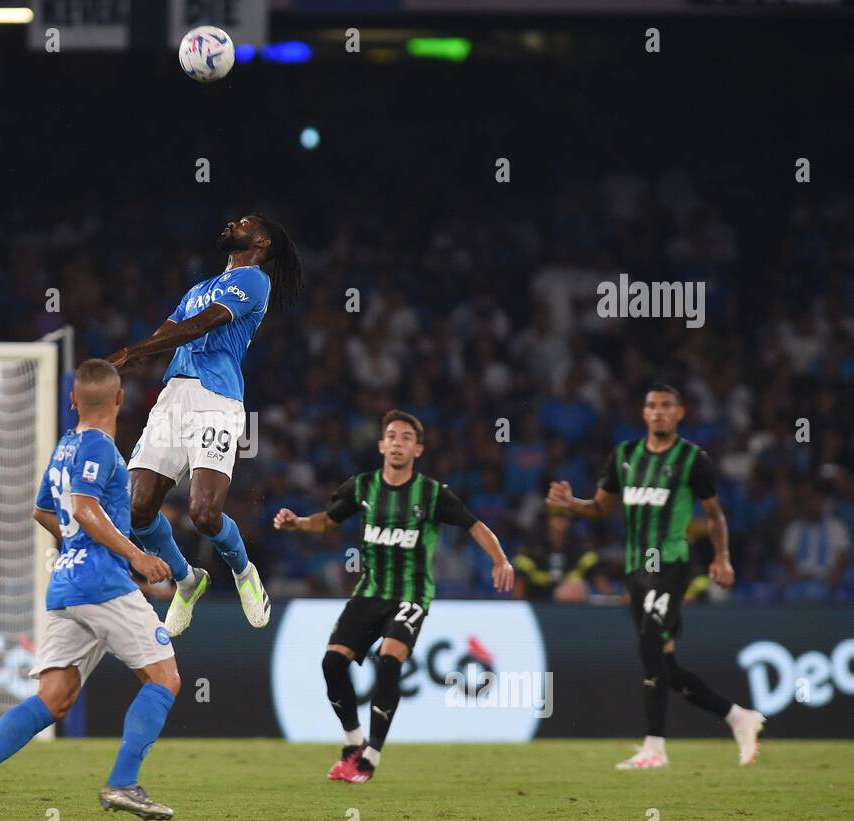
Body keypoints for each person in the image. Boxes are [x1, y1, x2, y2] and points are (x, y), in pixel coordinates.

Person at [0, 360, 180, 821]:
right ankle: (123, 783)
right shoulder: (98, 446)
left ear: (72, 400)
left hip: (69, 584)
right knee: (164, 679)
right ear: (120, 400)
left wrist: (79, 544)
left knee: (55, 697)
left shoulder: (66, 446)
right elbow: (84, 509)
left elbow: (42, 511)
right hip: (102, 583)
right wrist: (135, 555)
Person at [273, 410, 515, 783]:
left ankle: (370, 758)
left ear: (417, 449)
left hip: (411, 595)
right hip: (369, 592)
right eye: (392, 436)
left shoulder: (433, 494)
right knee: (332, 664)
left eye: (406, 438)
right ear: (381, 445)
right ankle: (354, 744)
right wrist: (297, 523)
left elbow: (475, 525)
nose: (398, 443)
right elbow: (327, 520)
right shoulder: (362, 487)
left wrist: (500, 558)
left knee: (389, 661)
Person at [546, 384, 766, 769]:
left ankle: (655, 747)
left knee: (649, 640)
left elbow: (714, 516)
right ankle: (737, 716)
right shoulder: (625, 456)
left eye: (667, 405)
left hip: (670, 563)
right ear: (643, 413)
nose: (659, 412)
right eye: (652, 406)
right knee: (664, 665)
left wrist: (722, 558)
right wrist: (571, 505)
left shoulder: (692, 460)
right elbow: (600, 509)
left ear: (680, 413)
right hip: (637, 569)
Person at [107, 215, 305, 637]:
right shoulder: (197, 289)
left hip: (216, 400)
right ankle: (186, 579)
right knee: (137, 509)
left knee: (203, 512)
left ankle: (243, 571)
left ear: (262, 240)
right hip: (173, 398)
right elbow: (171, 330)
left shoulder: (253, 281)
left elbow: (200, 325)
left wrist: (132, 349)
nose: (232, 222)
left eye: (244, 222)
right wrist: (127, 363)